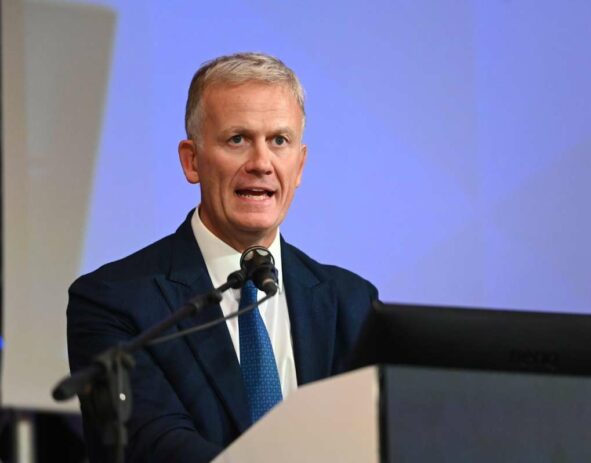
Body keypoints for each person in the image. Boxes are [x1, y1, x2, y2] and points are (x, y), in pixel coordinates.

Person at [67, 52, 378, 462]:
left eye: (279, 141)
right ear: (191, 160)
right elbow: (156, 445)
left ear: (300, 165)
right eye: (237, 139)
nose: (261, 163)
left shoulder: (351, 303)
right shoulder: (113, 300)